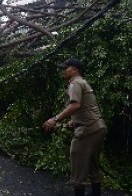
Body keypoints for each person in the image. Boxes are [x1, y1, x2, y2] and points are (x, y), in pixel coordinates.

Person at [42, 58, 107, 196]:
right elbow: (86, 108)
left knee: (78, 167)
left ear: (75, 69)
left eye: (66, 68)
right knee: (92, 164)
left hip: (87, 130)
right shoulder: (83, 82)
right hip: (98, 128)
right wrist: (71, 123)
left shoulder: (75, 83)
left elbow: (75, 105)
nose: (63, 71)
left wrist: (55, 119)